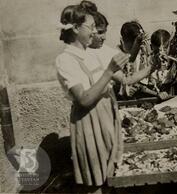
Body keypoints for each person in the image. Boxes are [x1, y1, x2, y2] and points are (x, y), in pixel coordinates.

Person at [55, 4, 130, 192]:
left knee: (111, 172)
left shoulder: (89, 54)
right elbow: (84, 99)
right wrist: (109, 71)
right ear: (75, 28)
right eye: (90, 27)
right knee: (96, 179)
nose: (94, 31)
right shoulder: (65, 59)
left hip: (105, 114)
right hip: (89, 120)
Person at [80, 1, 155, 101]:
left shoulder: (106, 51)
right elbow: (83, 100)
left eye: (105, 32)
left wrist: (153, 65)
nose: (105, 37)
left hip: (108, 106)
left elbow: (127, 74)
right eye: (100, 32)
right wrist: (110, 72)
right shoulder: (76, 56)